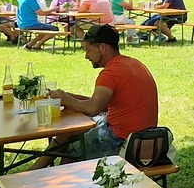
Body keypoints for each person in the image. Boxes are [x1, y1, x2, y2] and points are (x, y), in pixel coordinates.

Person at [47, 24, 159, 161]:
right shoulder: (134, 64)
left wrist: (65, 99)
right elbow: (103, 105)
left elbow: (92, 108)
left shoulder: (110, 73)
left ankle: (53, 172)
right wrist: (70, 96)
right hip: (146, 138)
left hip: (122, 140)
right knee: (71, 131)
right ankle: (37, 168)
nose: (86, 56)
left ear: (103, 47)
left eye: (88, 50)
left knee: (72, 150)